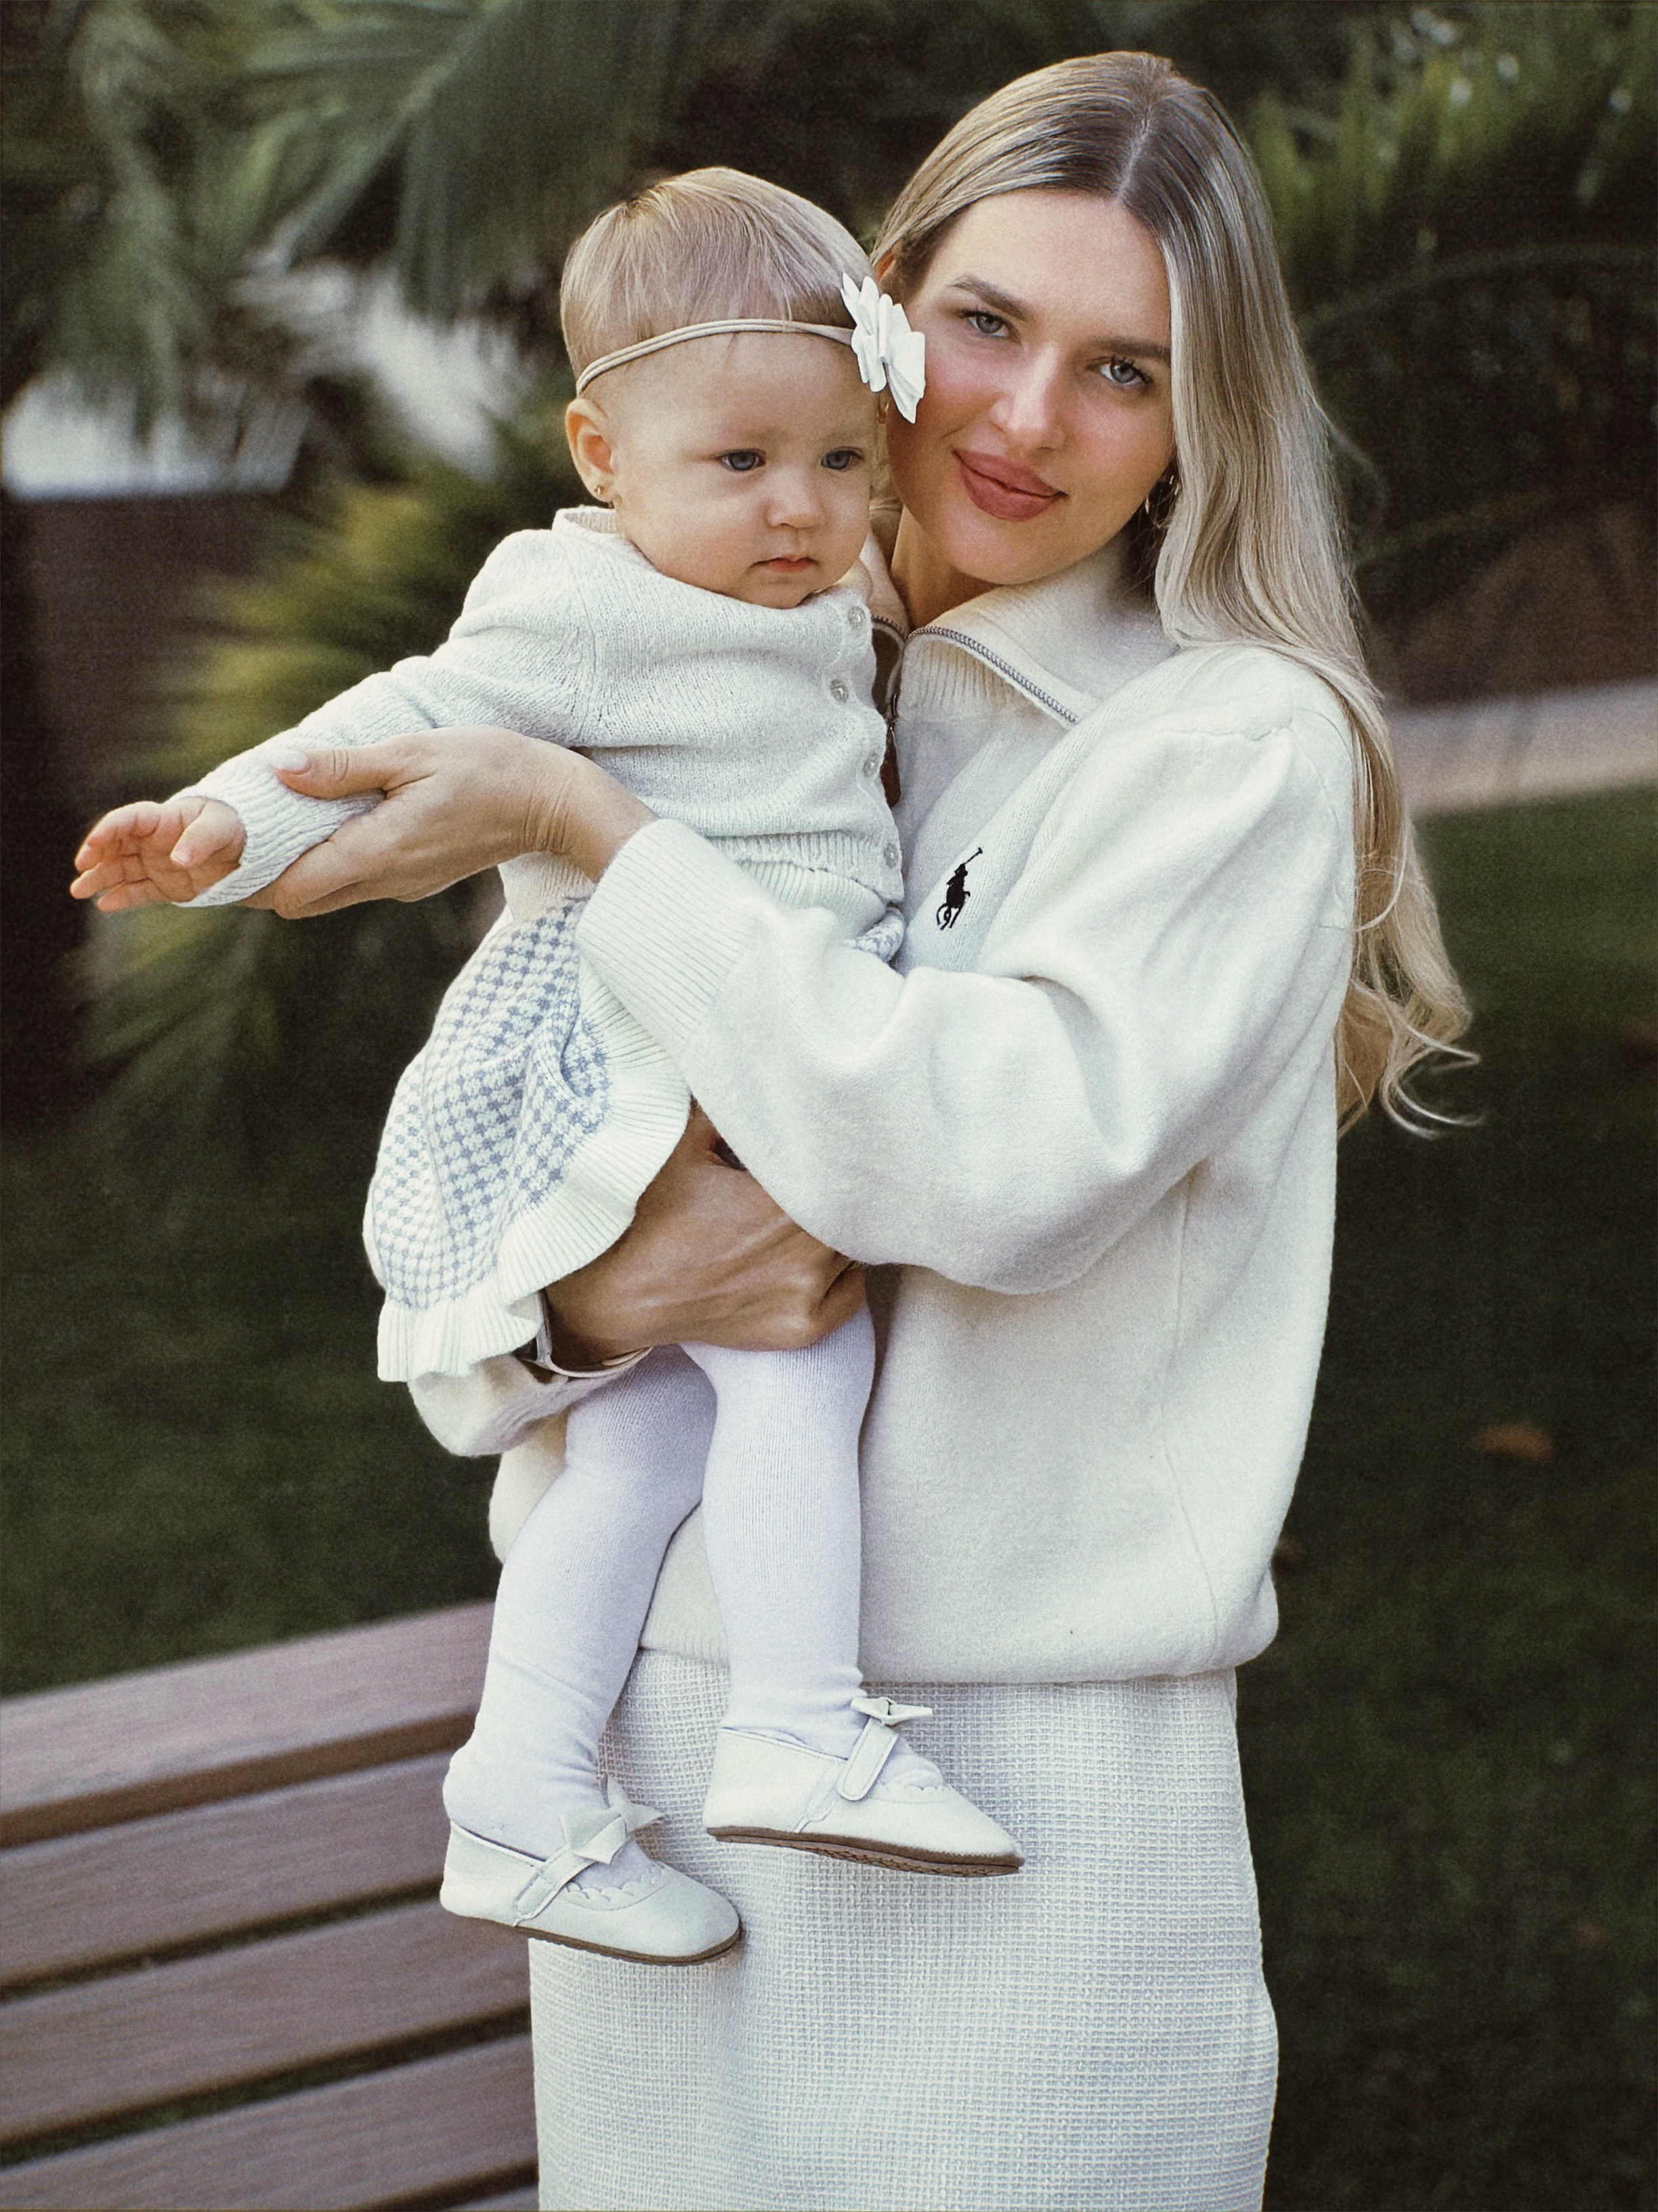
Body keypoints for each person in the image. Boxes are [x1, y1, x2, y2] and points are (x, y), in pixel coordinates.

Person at [102, 50, 1472, 2212]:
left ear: (1198, 421)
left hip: (1024, 1785)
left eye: (1124, 369)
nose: (1028, 416)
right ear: (881, 310)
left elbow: (988, 1168)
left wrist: (585, 821)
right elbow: (513, 1248)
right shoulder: (741, 660)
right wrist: (582, 1307)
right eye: (990, 325)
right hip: (654, 1761)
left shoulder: (1227, 744)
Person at [70, 171, 1022, 1966]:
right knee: (802, 1352)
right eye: (740, 462)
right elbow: (403, 718)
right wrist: (227, 820)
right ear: (602, 452)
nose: (800, 507)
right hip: (664, 1039)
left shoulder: (814, 586)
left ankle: (515, 1796)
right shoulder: (583, 602)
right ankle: (800, 1726)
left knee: (645, 1438)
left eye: (841, 459)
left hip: (748, 1015)